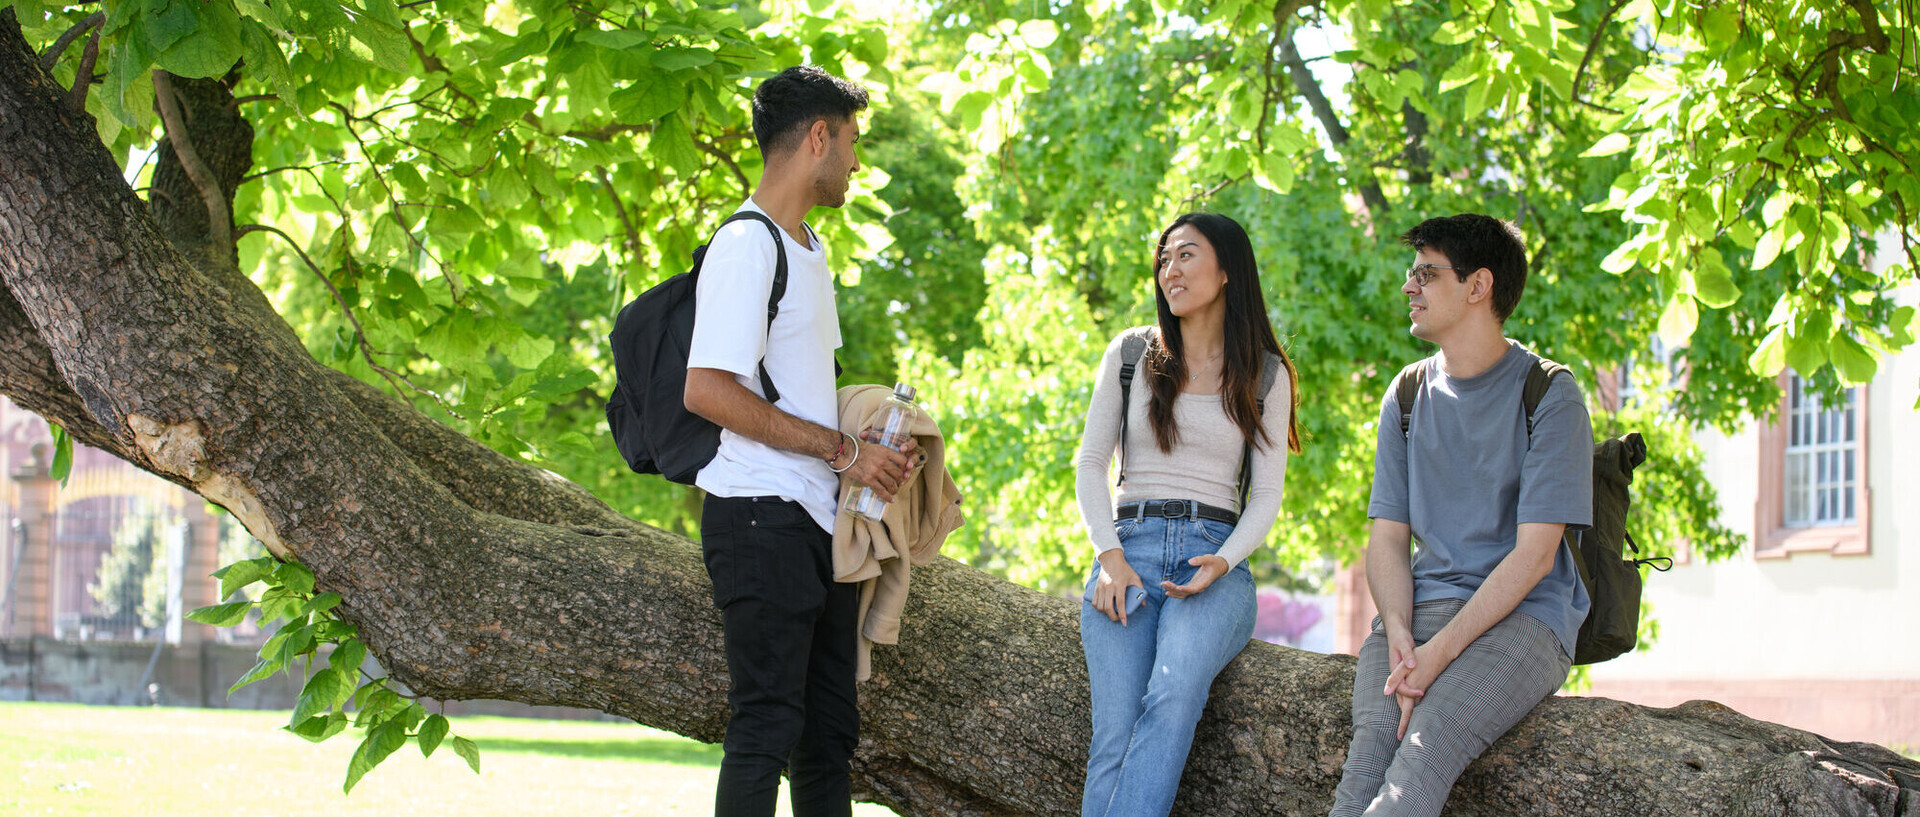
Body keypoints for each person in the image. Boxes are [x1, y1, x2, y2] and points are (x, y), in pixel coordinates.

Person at [682, 65, 915, 817]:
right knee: (766, 724)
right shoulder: (746, 245)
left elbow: (804, 391)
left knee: (827, 738)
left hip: (818, 521)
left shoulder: (809, 249)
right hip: (757, 515)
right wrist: (845, 453)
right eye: (850, 142)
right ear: (819, 136)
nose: (855, 160)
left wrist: (872, 449)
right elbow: (708, 389)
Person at [1327, 214, 1593, 817]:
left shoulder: (1551, 395)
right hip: (1418, 614)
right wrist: (1397, 629)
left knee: (1423, 754)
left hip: (1525, 619)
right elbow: (1388, 539)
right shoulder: (1406, 394)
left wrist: (1439, 653)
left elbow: (1533, 559)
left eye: (1427, 273)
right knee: (1364, 769)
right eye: (1410, 272)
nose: (1408, 287)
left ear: (1478, 286)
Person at [1073, 212, 1301, 817]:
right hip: (1129, 549)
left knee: (1173, 692)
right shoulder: (1129, 354)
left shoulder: (1266, 374)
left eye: (1187, 256)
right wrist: (1110, 559)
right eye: (1164, 258)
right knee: (1115, 733)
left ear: (1228, 271)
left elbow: (1267, 497)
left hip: (1213, 559)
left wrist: (1224, 562)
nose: (1170, 270)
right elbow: (1090, 463)